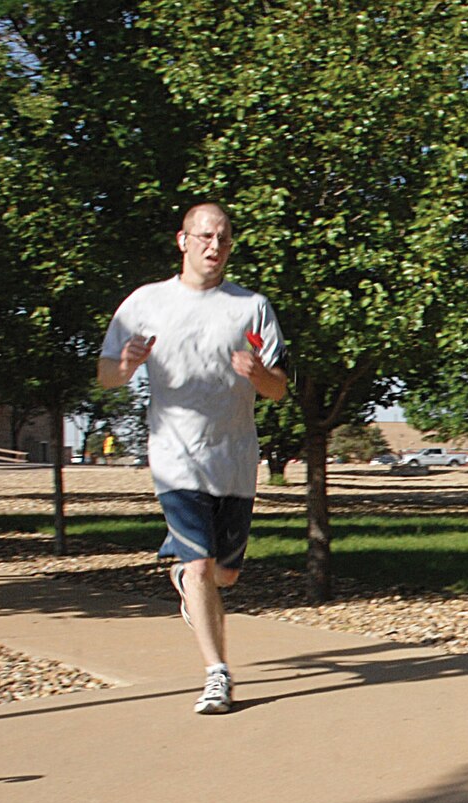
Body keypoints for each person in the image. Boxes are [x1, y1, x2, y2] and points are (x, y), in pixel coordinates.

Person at [97, 203, 286, 714]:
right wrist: (125, 364)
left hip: (235, 458)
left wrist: (257, 374)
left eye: (223, 238)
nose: (214, 246)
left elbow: (279, 389)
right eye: (204, 236)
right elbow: (105, 375)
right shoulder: (145, 303)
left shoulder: (251, 307)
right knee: (202, 567)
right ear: (182, 240)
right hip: (175, 455)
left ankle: (182, 575)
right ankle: (217, 674)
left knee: (224, 576)